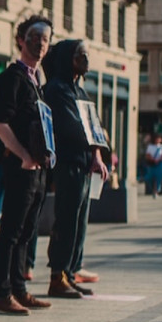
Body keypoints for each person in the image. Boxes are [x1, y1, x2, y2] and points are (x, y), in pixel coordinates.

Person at [0, 16, 55, 315]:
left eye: (45, 39)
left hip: (38, 171)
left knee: (27, 232)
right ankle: (2, 293)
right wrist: (23, 156)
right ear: (20, 39)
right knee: (12, 231)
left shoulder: (37, 80)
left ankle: (19, 289)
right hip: (21, 169)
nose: (40, 44)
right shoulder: (13, 77)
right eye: (34, 37)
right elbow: (0, 125)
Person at [41, 38, 109, 300]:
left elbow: (95, 128)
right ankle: (57, 275)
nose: (86, 60)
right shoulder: (57, 90)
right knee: (67, 219)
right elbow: (73, 128)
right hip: (68, 162)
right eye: (81, 55)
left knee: (79, 222)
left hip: (84, 164)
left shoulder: (79, 91)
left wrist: (97, 154)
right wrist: (94, 148)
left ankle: (69, 273)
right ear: (68, 58)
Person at [144, 134, 162, 198]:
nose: (157, 140)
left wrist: (159, 159)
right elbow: (147, 155)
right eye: (156, 138)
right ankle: (152, 188)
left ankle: (156, 191)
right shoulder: (150, 146)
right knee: (149, 177)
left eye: (159, 138)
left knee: (158, 177)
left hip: (159, 164)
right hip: (152, 163)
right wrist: (153, 159)